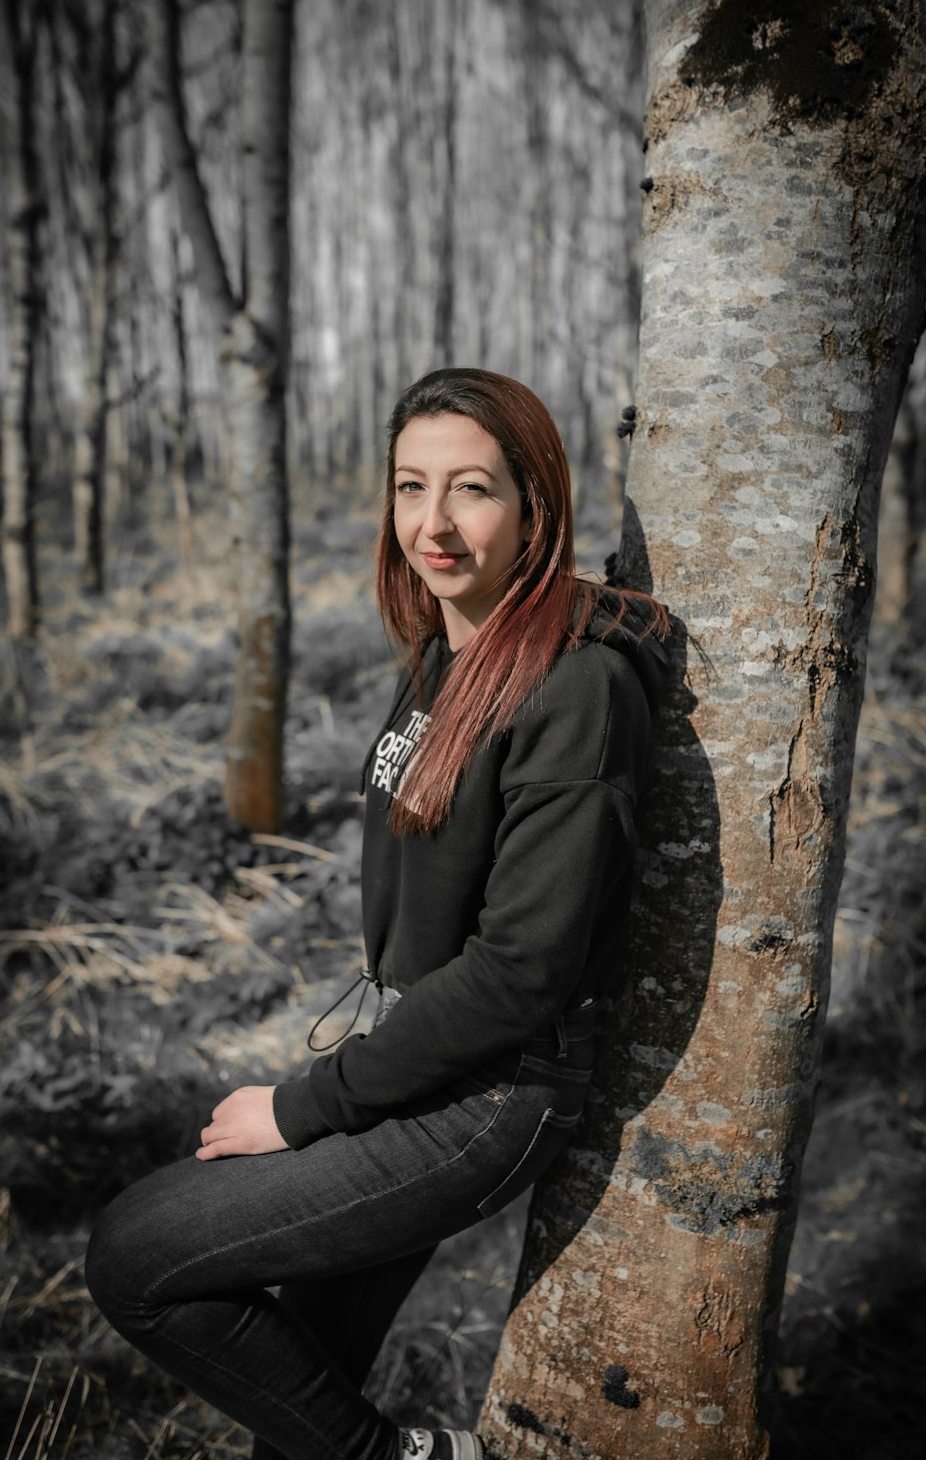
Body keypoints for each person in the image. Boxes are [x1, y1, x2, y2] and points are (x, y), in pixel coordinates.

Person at [85, 367, 670, 1460]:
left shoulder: (578, 690)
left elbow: (522, 971)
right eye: (411, 486)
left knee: (135, 1256)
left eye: (472, 490)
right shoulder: (445, 653)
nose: (432, 523)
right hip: (416, 1056)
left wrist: (308, 1105)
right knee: (297, 1384)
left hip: (488, 1094)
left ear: (535, 508)